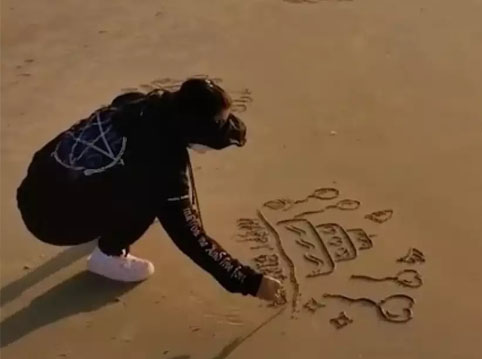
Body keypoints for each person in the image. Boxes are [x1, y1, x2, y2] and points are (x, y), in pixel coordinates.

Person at [16, 78, 283, 302]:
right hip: (52, 224)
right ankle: (108, 255)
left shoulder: (136, 103)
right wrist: (249, 281)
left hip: (34, 188)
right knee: (150, 199)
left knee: (138, 181)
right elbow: (192, 239)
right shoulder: (162, 169)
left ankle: (86, 206)